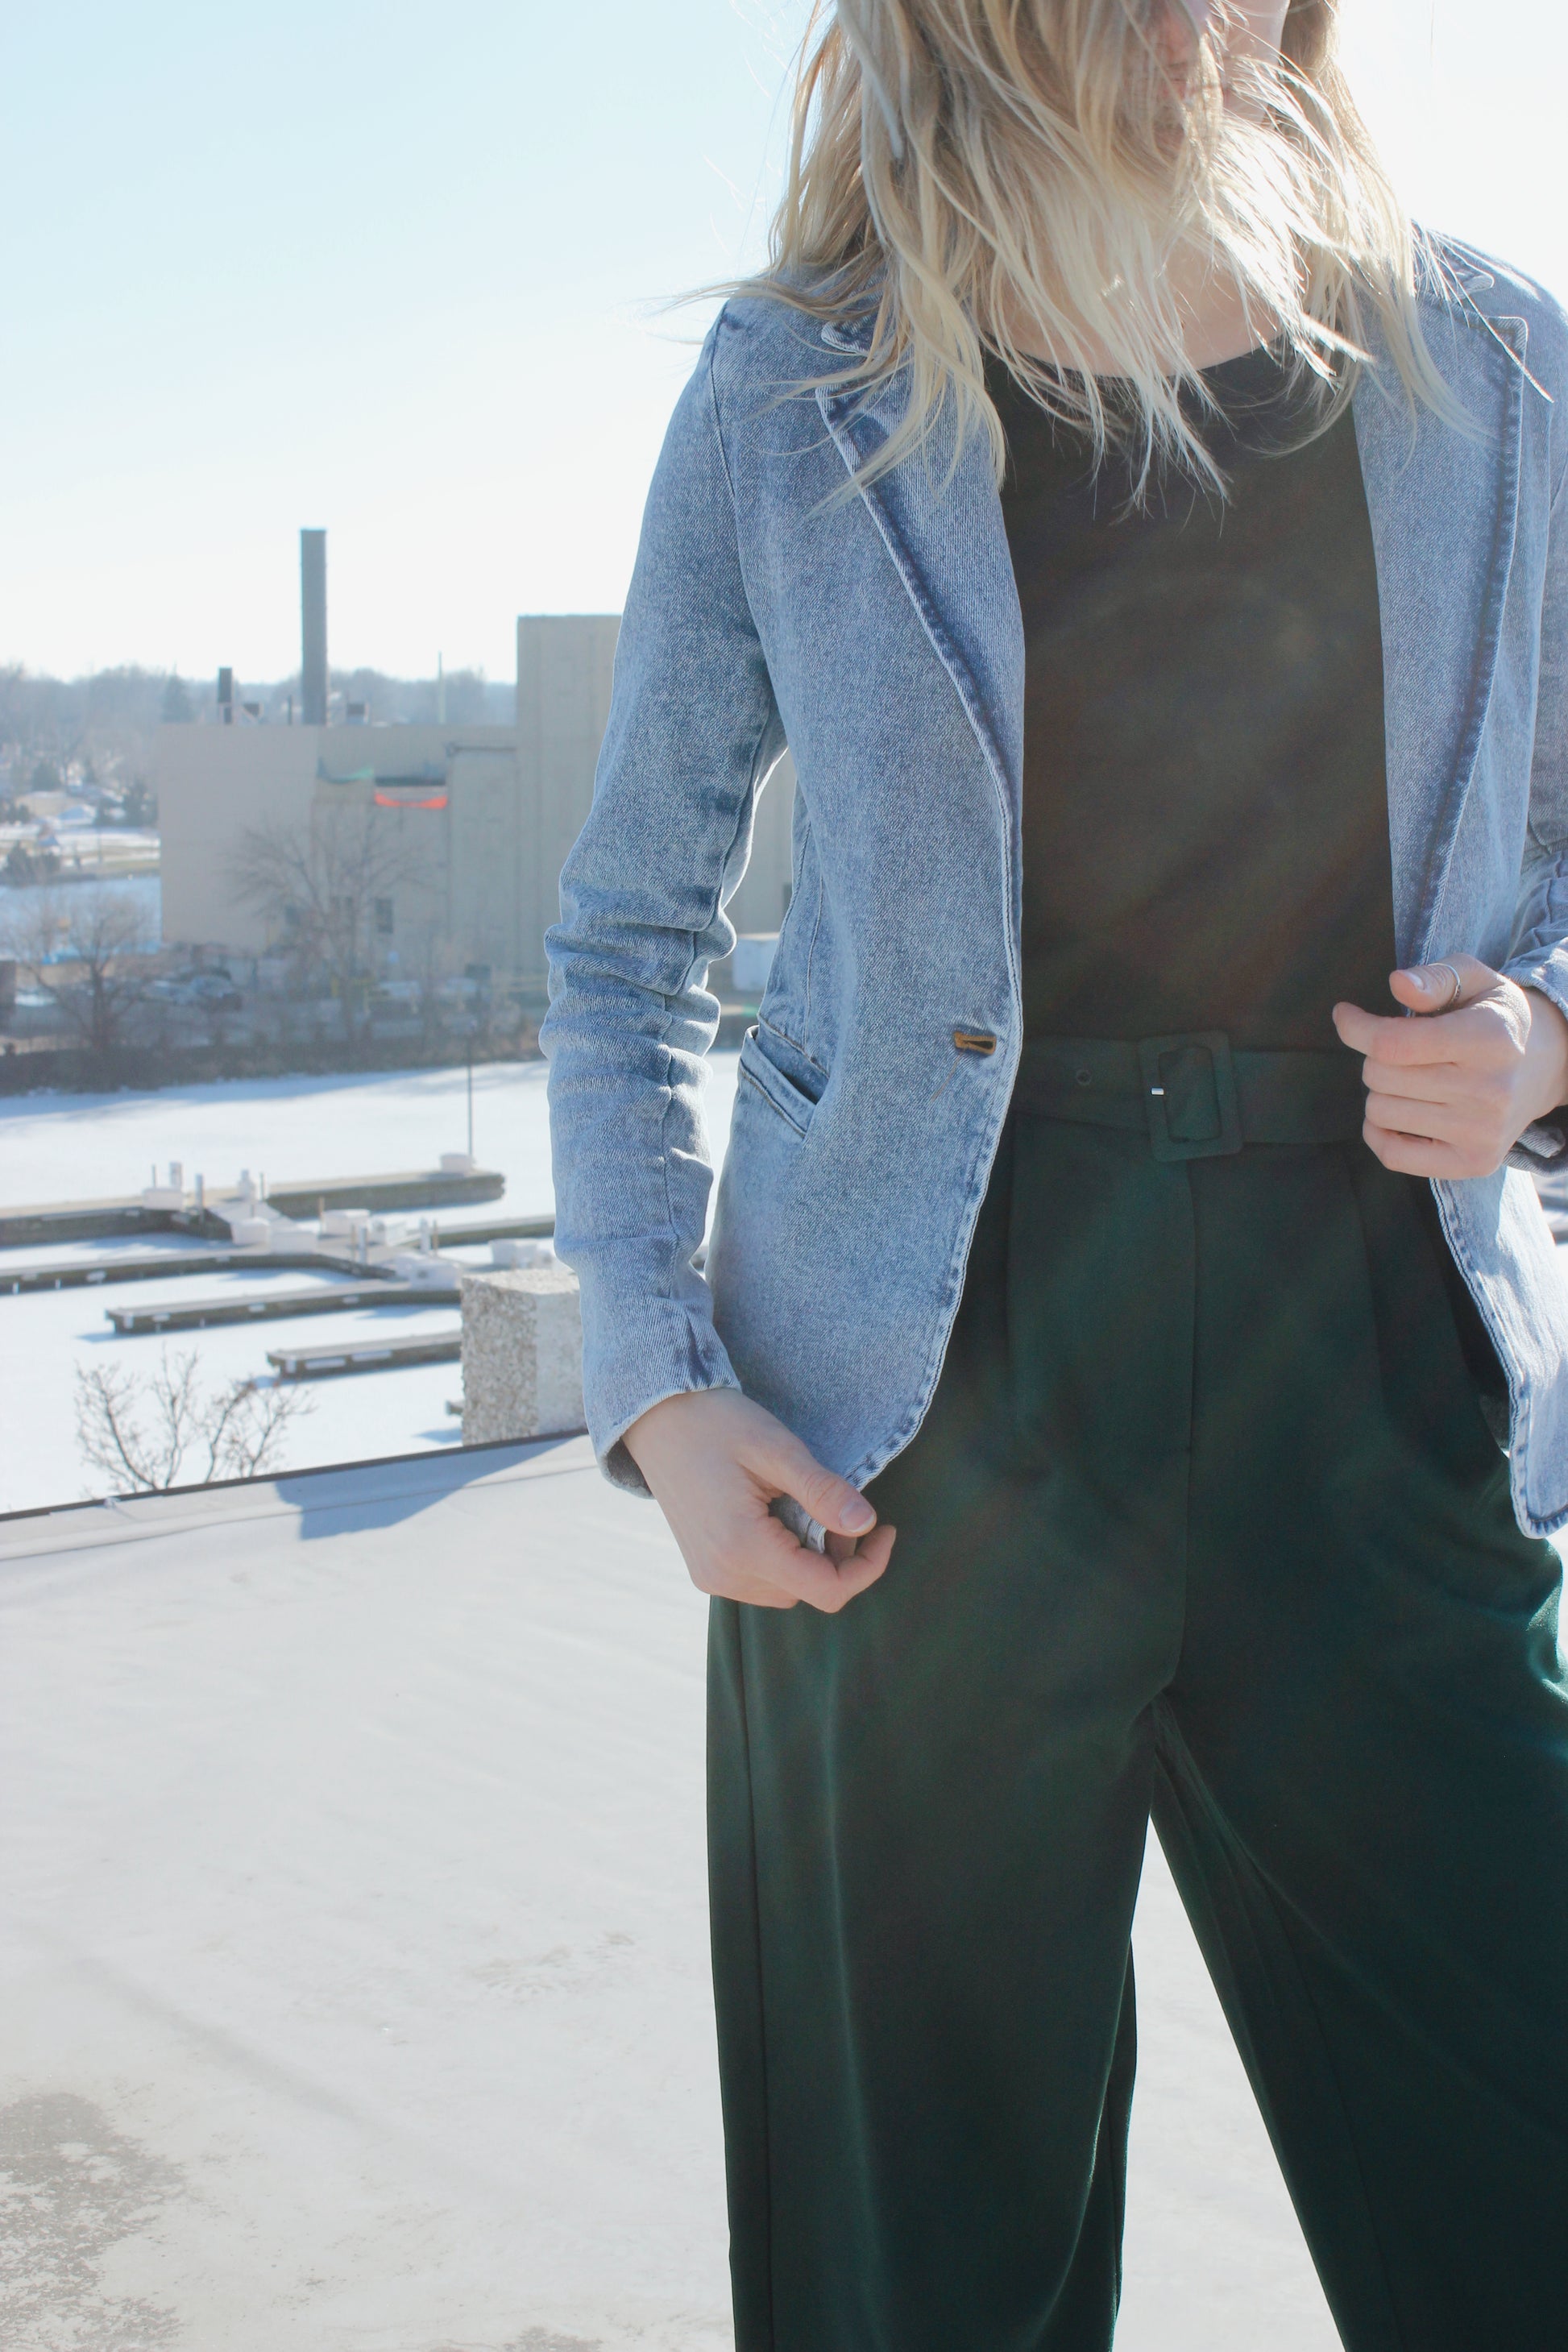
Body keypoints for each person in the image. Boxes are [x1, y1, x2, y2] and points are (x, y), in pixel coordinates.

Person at [543, 2, 1568, 2343]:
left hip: (1377, 1363)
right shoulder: (796, 387)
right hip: (912, 1424)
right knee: (914, 2277)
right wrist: (656, 1383)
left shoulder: (1489, 356)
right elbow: (624, 932)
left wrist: (1540, 1039)